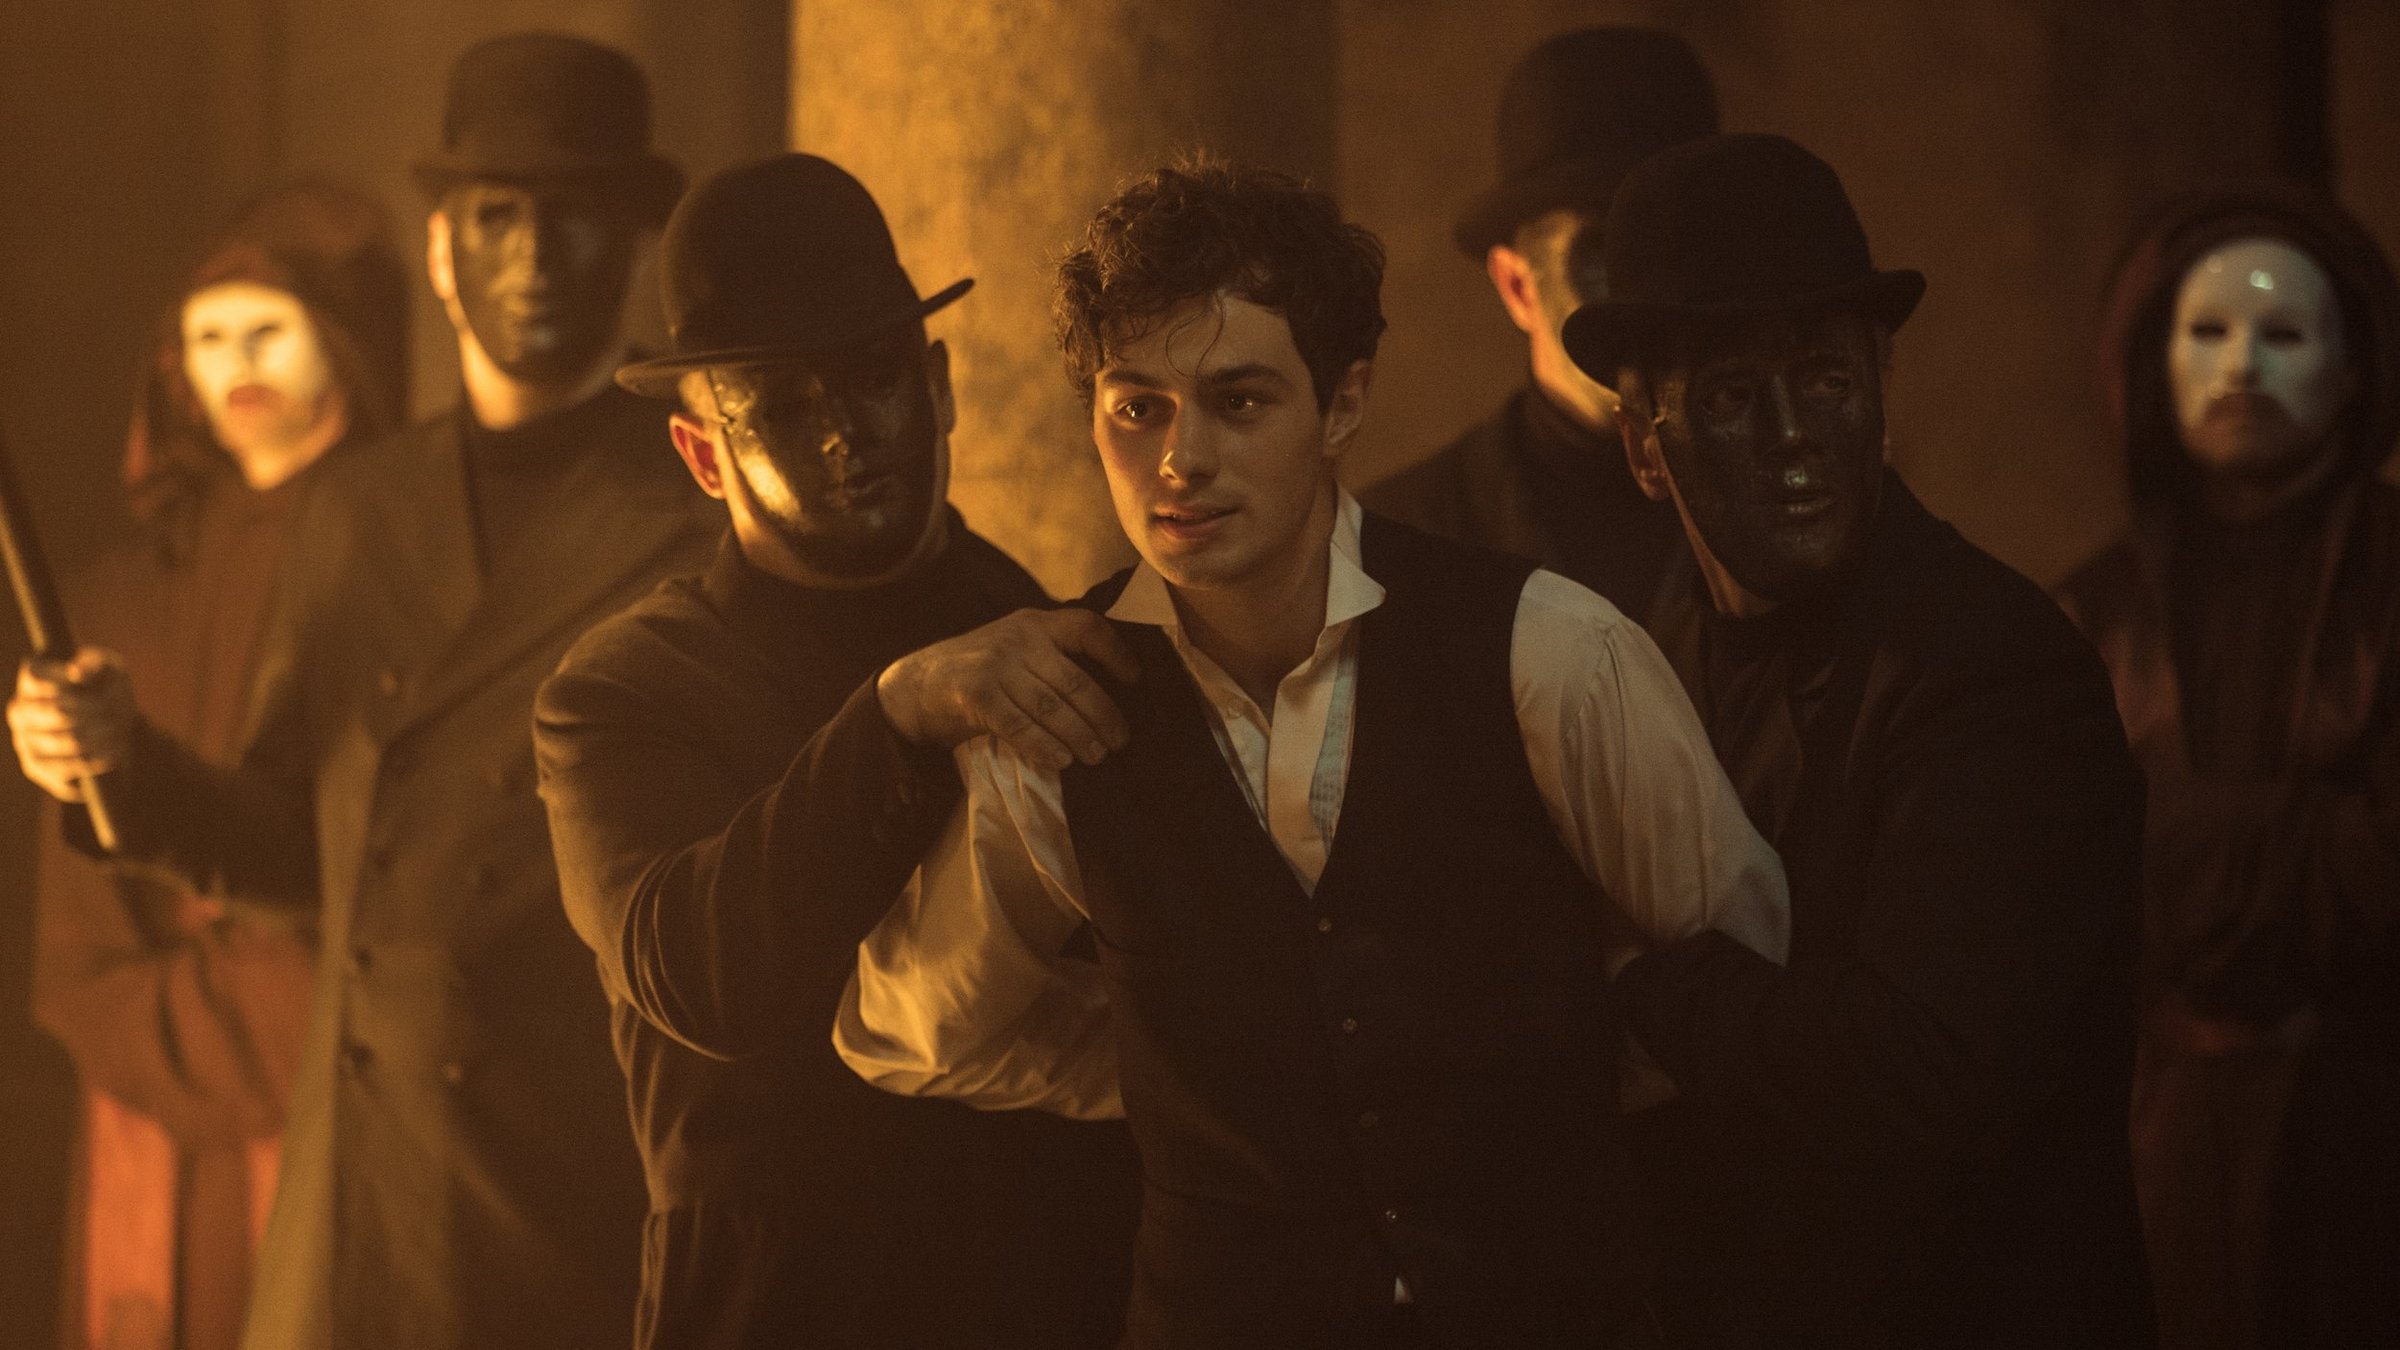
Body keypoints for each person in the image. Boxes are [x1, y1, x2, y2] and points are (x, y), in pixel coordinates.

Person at [834, 156, 1790, 1349]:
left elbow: (1744, 968)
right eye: (1137, 407)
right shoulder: (1065, 711)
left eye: (1239, 402)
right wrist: (1159, 1073)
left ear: (1341, 406)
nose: (1179, 459)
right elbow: (913, 1030)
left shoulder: (1545, 650)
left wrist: (1555, 1071)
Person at [7, 33, 720, 1350]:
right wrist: (123, 762)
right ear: (441, 251)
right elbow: (302, 843)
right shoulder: (360, 508)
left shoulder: (697, 502)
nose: (532, 256)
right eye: (494, 216)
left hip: (577, 1183)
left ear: (635, 245)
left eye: (574, 213)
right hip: (364, 1200)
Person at [533, 152, 1141, 1350]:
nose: (842, 433)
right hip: (780, 1311)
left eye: (872, 379)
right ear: (703, 455)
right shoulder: (622, 688)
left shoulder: (1041, 619)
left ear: (938, 386)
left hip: (1052, 1296)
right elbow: (696, 974)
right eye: (777, 406)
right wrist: (900, 714)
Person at [1561, 132, 2154, 1347]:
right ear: (1643, 447)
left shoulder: (1994, 666)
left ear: (1882, 393)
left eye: (1827, 379)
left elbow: (1922, 1071)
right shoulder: (1650, 653)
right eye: (1732, 397)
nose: (1793, 435)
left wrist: (1634, 981)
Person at [30, 180, 406, 1350]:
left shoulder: (406, 555)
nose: (235, 363)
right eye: (206, 336)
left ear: (342, 341)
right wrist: (149, 1029)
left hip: (336, 1070)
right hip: (142, 1089)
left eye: (267, 330)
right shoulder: (121, 594)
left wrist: (263, 1013)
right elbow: (77, 919)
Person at [2055, 185, 2400, 1350]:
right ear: (2153, 362)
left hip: (2370, 1136)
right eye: (2207, 330)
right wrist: (2309, 834)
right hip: (2164, 1149)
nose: (2242, 362)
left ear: (2352, 370)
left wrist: (2167, 840)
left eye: (2284, 332)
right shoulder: (2084, 620)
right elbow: (2057, 886)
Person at [1359, 27, 1717, 621]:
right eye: (1604, 252)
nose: (1650, 293)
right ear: (1518, 286)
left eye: (1682, 242)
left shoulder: (1804, 509)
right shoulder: (1392, 549)